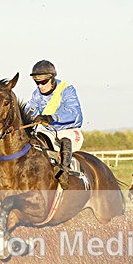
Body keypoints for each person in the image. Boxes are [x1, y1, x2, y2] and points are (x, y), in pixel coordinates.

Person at [26, 60, 84, 189]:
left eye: (43, 82)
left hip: (68, 129)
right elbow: (30, 110)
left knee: (64, 137)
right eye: (37, 82)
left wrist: (50, 117)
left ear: (52, 79)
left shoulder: (67, 90)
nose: (40, 86)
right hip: (47, 131)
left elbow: (75, 114)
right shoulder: (36, 94)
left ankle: (64, 171)